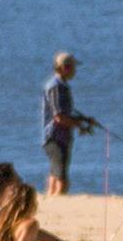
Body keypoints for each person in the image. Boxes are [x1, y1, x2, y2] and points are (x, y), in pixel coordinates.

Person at [40, 53, 100, 195]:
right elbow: (59, 117)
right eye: (73, 67)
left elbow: (65, 113)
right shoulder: (56, 87)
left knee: (56, 173)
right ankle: (57, 203)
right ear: (64, 68)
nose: (75, 71)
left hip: (60, 137)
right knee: (62, 177)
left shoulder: (61, 86)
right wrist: (80, 126)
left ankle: (51, 201)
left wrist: (84, 120)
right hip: (54, 137)